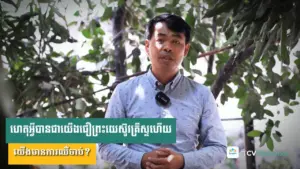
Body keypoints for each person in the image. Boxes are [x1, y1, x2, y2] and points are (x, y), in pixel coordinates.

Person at [98, 13, 227, 169]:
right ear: (147, 46)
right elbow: (106, 145)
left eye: (176, 41)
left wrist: (182, 161)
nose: (168, 47)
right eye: (160, 40)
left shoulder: (202, 94)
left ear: (186, 49)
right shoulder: (124, 92)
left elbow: (218, 148)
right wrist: (142, 159)